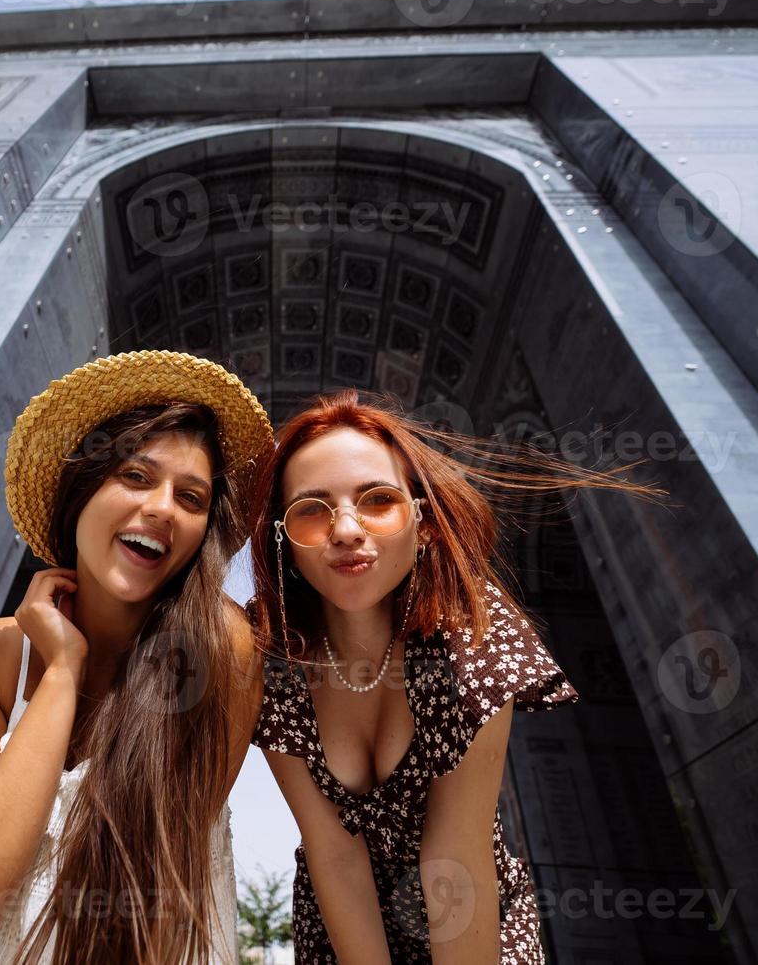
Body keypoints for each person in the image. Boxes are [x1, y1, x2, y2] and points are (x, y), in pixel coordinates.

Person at [245, 389, 668, 963]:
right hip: (343, 926)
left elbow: (457, 855)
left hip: (471, 923)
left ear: (421, 524)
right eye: (312, 510)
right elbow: (332, 852)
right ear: (283, 540)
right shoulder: (270, 651)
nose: (345, 528)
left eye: (377, 500)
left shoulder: (469, 630)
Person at [0, 350, 275, 965]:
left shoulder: (219, 655)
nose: (161, 507)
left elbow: (152, 908)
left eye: (191, 497)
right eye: (135, 476)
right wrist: (62, 674)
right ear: (81, 489)